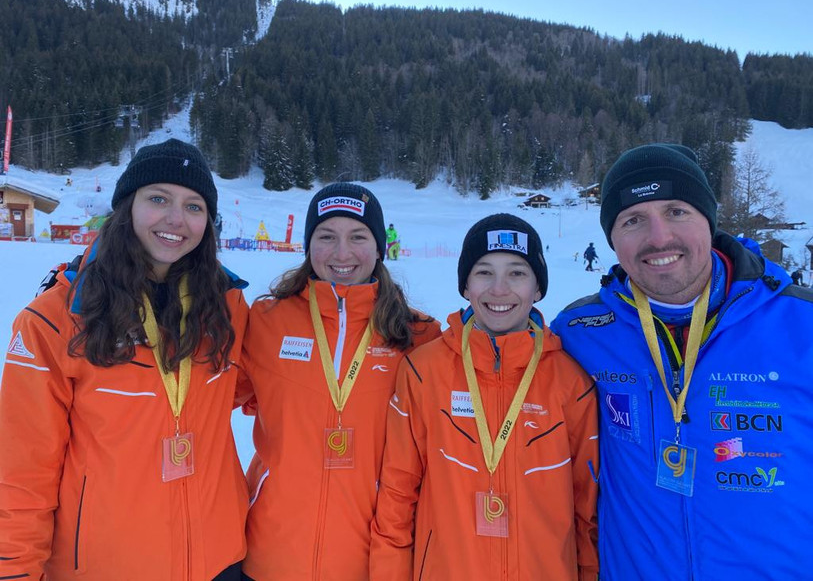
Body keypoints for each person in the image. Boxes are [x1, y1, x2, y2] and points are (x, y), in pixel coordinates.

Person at [552, 143, 813, 580]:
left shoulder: (801, 322)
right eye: (633, 220)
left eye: (676, 211)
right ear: (611, 239)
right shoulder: (581, 332)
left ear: (709, 221)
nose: (658, 238)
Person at [0, 139, 250, 580]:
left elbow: (262, 384)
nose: (176, 219)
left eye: (194, 206)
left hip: (218, 560)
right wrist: (16, 571)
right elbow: (21, 475)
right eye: (158, 199)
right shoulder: (54, 322)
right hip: (107, 566)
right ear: (126, 208)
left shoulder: (227, 308)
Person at [370, 213, 599, 580]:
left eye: (517, 273)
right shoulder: (423, 371)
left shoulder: (570, 382)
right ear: (465, 286)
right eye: (484, 272)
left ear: (538, 288)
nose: (499, 289)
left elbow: (587, 512)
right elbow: (396, 496)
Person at [239, 183, 440, 580]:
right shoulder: (265, 321)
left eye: (358, 237)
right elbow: (201, 397)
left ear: (380, 246)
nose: (342, 253)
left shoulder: (418, 336)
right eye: (326, 236)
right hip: (269, 554)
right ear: (309, 244)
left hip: (368, 560)